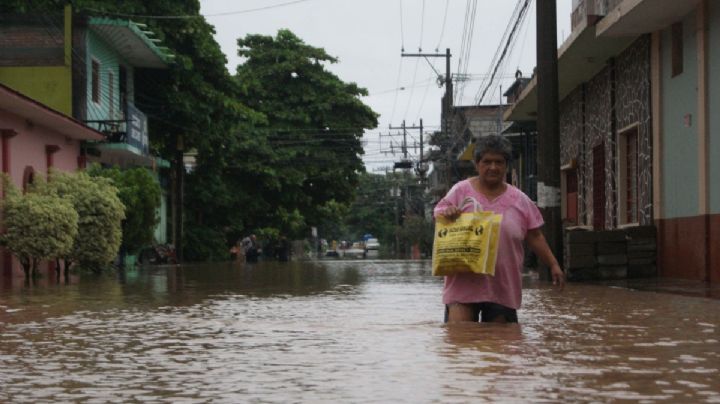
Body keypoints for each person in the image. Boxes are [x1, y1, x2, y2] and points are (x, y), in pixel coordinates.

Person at [434, 135, 565, 324]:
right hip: (462, 285)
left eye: (499, 162)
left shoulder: (520, 200)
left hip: (503, 286)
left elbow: (534, 235)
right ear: (477, 164)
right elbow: (438, 215)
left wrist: (553, 265)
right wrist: (449, 212)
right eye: (487, 162)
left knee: (501, 349)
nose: (493, 167)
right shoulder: (460, 192)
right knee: (460, 345)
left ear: (506, 166)